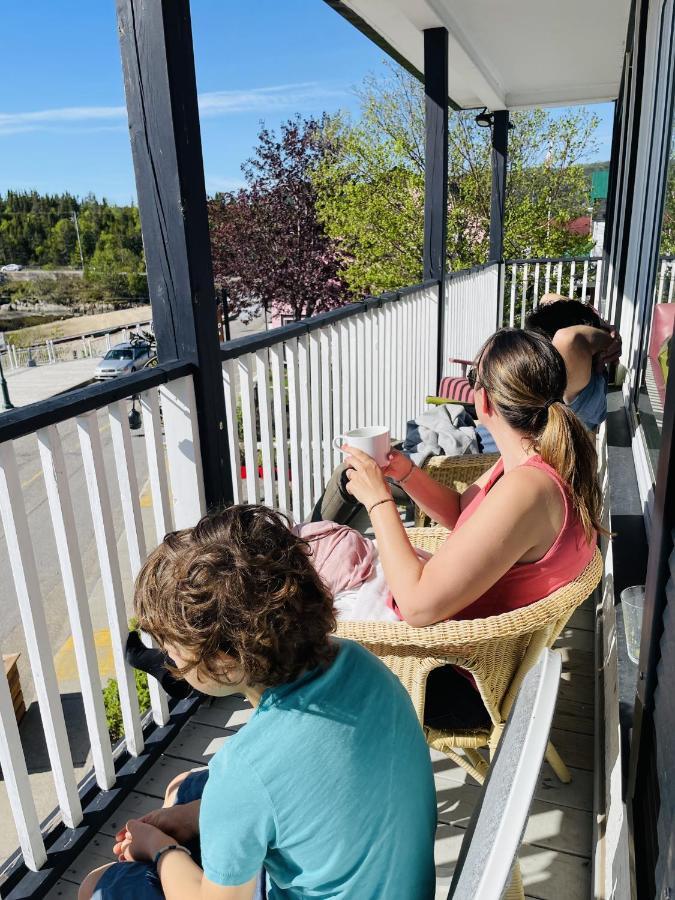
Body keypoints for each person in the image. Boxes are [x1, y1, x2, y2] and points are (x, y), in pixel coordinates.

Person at [80, 505, 437, 900]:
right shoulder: (359, 660)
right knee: (185, 788)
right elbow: (294, 790)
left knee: (100, 885)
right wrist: (192, 817)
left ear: (224, 661)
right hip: (392, 880)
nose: (169, 659)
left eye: (171, 648)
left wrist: (161, 850)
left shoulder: (244, 770)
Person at [340, 329, 601, 630]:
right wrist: (407, 474)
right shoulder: (533, 458)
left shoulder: (527, 488)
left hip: (436, 650)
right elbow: (465, 512)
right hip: (444, 612)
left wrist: (378, 500)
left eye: (471, 378)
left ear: (485, 400)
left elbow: (417, 608)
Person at [526, 298, 622, 430]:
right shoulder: (578, 385)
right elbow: (547, 297)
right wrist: (606, 333)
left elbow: (568, 338)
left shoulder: (576, 395)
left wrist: (610, 340)